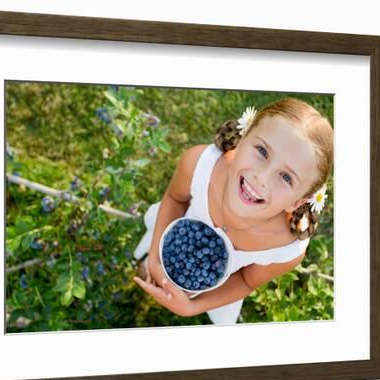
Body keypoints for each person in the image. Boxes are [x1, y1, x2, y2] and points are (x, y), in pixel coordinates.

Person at [132, 97, 333, 324]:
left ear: (297, 202)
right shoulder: (199, 165)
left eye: (286, 177)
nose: (261, 177)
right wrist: (157, 258)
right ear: (243, 139)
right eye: (262, 151)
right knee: (150, 260)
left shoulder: (286, 248)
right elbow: (174, 199)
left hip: (218, 287)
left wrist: (191, 306)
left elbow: (246, 281)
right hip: (172, 238)